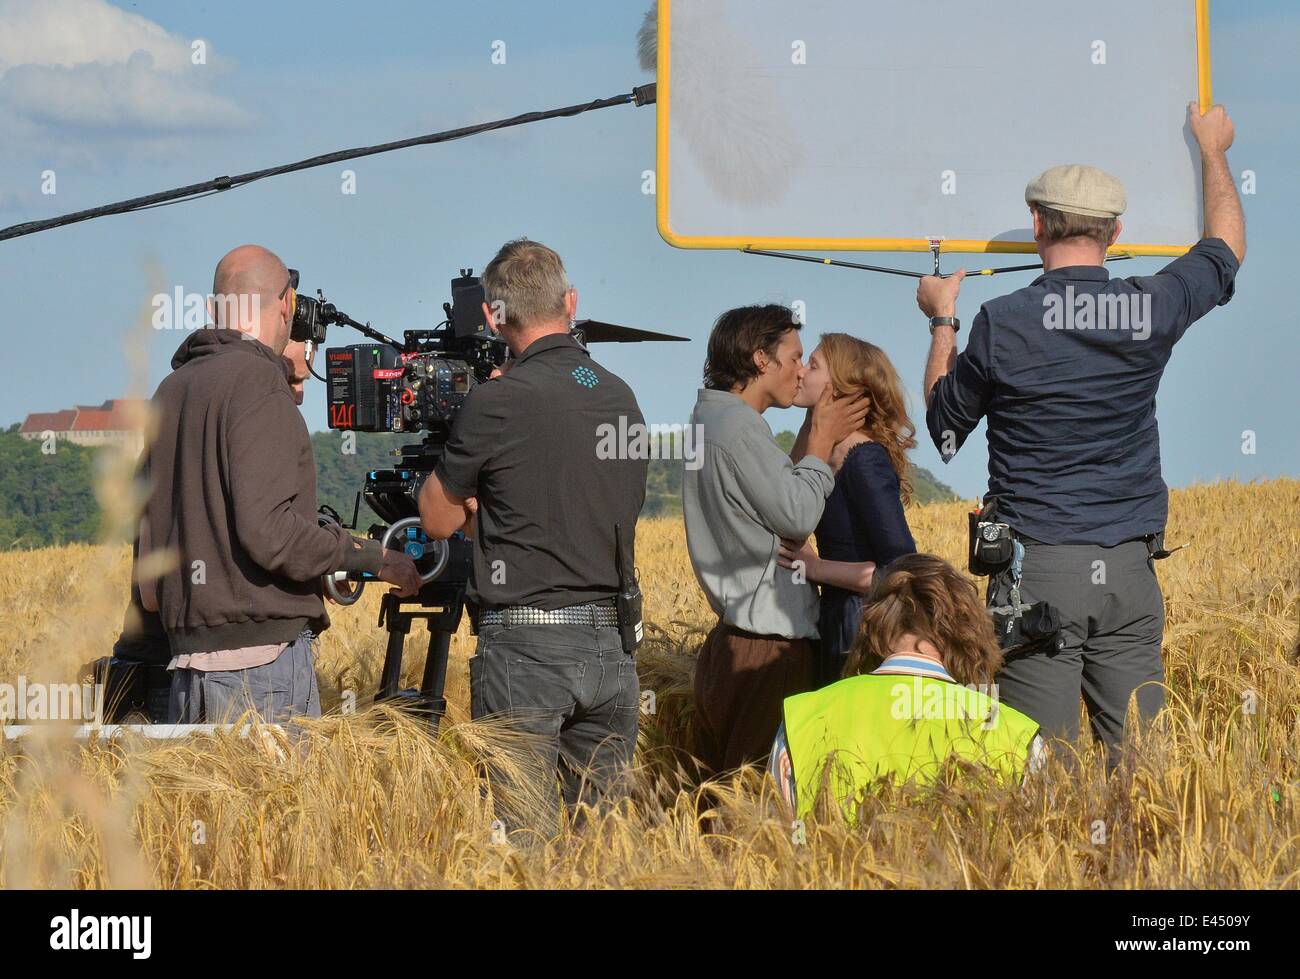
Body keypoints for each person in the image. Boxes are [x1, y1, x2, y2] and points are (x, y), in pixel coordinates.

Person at [915, 103, 1245, 756]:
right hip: (1129, 570)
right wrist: (1213, 150)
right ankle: (1149, 859)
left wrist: (942, 319)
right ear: (1115, 231)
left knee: (1045, 771)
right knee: (1146, 768)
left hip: (1037, 569)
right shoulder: (1149, 305)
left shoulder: (1002, 322)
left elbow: (944, 425)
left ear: (1036, 224)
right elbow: (1225, 248)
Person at [417, 238, 648, 839]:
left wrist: (479, 505)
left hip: (526, 648)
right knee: (598, 849)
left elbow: (436, 519)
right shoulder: (620, 394)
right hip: (613, 647)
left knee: (525, 845)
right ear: (571, 302)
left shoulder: (496, 402)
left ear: (493, 316)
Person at [138, 245, 421, 725]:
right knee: (281, 801)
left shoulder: (171, 390)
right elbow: (270, 534)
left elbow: (150, 555)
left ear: (213, 310)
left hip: (187, 669)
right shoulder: (258, 383)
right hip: (260, 672)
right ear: (287, 304)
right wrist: (375, 558)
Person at [683, 305, 868, 774]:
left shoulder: (711, 422)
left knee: (728, 796)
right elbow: (796, 514)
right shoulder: (740, 430)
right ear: (761, 360)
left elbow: (774, 494)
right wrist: (823, 443)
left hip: (735, 643)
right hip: (766, 650)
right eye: (795, 356)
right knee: (753, 805)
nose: (801, 370)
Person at [108, 338, 319, 723]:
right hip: (240, 670)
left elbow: (153, 588)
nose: (299, 396)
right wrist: (338, 554)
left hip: (169, 666)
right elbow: (266, 533)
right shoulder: (252, 397)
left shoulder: (173, 397)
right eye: (291, 381)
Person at [770, 554, 1044, 823]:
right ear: (968, 632)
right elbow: (1040, 852)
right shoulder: (1016, 734)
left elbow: (779, 842)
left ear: (871, 627)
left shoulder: (803, 717)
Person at [777, 334, 917, 686]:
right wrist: (815, 423)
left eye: (813, 365)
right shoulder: (828, 455)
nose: (800, 373)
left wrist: (815, 567)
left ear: (839, 389)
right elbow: (785, 497)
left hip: (862, 627)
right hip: (834, 619)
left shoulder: (865, 460)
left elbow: (900, 568)